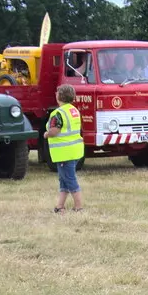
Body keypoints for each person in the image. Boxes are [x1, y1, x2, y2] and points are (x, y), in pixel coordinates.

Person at [47, 83, 84, 213]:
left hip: (64, 153)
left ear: (60, 96)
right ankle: (59, 206)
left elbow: (54, 131)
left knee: (69, 179)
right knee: (64, 180)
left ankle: (78, 206)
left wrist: (46, 134)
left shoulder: (58, 113)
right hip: (75, 150)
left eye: (57, 93)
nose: (55, 94)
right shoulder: (74, 111)